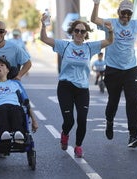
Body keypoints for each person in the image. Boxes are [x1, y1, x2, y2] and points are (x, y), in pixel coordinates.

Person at [40, 15, 113, 157]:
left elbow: (110, 41)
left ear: (86, 34)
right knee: (69, 121)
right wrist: (43, 25)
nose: (79, 33)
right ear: (72, 32)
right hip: (65, 87)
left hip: (82, 90)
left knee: (82, 120)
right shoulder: (64, 45)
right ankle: (65, 134)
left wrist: (110, 30)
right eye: (77, 31)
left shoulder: (90, 47)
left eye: (82, 31)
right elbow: (44, 39)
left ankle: (78, 146)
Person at [91, 0, 137, 148]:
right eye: (124, 13)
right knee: (113, 101)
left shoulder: (136, 25)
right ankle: (109, 121)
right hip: (113, 70)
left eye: (129, 13)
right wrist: (96, 4)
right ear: (119, 12)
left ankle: (133, 136)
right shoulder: (111, 23)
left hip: (130, 69)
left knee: (133, 100)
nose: (126, 16)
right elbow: (94, 20)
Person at [0, 56, 38, 140]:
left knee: (17, 109)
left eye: (2, 65)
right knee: (1, 109)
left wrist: (34, 121)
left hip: (15, 106)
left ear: (7, 70)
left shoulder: (15, 84)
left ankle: (18, 132)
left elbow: (26, 102)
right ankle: (4, 133)